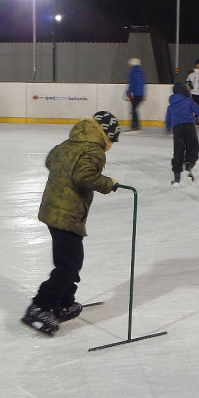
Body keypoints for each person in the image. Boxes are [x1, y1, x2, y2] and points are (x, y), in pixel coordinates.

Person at [21, 111, 120, 336]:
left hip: (53, 209)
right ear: (106, 136)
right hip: (67, 213)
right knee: (69, 266)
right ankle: (40, 306)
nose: (111, 146)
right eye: (113, 141)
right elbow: (84, 176)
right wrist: (108, 183)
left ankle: (64, 302)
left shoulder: (71, 142)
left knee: (71, 261)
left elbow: (50, 160)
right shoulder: (95, 149)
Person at [165, 82, 199, 187]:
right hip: (189, 127)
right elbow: (197, 110)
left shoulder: (171, 106)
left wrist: (168, 128)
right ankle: (189, 162)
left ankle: (177, 176)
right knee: (193, 146)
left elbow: (168, 118)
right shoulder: (188, 101)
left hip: (177, 129)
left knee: (178, 151)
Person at [125, 58, 146, 132]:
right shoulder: (141, 73)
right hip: (141, 94)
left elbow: (133, 84)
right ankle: (136, 125)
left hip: (136, 94)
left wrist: (128, 91)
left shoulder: (133, 73)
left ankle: (135, 125)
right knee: (134, 109)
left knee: (133, 109)